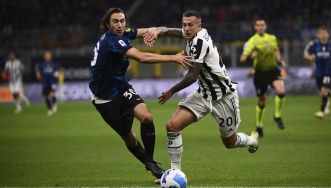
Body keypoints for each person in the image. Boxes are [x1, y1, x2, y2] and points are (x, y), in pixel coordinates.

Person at [144, 10, 259, 172]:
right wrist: (157, 30)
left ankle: (252, 140)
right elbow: (171, 30)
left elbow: (192, 76)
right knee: (172, 126)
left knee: (230, 143)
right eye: (184, 24)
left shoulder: (200, 41)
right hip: (204, 94)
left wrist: (171, 91)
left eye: (191, 25)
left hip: (223, 96)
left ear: (200, 25)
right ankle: (174, 173)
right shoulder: (191, 34)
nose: (187, 28)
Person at [89, 8, 192, 181]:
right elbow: (141, 57)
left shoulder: (123, 33)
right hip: (104, 98)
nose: (120, 25)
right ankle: (147, 161)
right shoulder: (111, 41)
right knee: (129, 137)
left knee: (146, 117)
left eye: (122, 21)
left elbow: (143, 31)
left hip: (120, 87)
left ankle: (150, 162)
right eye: (116, 21)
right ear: (108, 24)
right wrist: (173, 57)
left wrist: (156, 30)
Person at [240, 18, 286, 137]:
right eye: (258, 25)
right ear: (255, 28)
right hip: (260, 74)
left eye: (262, 25)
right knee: (262, 101)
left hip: (273, 70)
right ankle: (259, 126)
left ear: (265, 27)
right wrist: (251, 55)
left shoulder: (272, 38)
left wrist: (279, 60)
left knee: (281, 91)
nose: (260, 27)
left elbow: (276, 50)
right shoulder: (252, 41)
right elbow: (242, 58)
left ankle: (277, 116)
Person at [303, 26, 331, 119]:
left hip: (328, 72)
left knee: (324, 90)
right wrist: (309, 57)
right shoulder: (314, 45)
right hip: (318, 72)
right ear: (318, 35)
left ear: (328, 34)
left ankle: (322, 111)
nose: (323, 35)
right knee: (322, 91)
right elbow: (306, 53)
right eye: (321, 33)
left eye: (325, 33)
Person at [35, 50, 60, 116]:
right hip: (45, 82)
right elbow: (37, 68)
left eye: (49, 55)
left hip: (52, 82)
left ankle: (54, 105)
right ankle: (50, 109)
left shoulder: (54, 63)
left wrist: (57, 75)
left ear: (51, 56)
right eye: (46, 55)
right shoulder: (42, 64)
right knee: (45, 97)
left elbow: (58, 70)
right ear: (44, 56)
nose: (48, 56)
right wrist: (38, 74)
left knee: (52, 94)